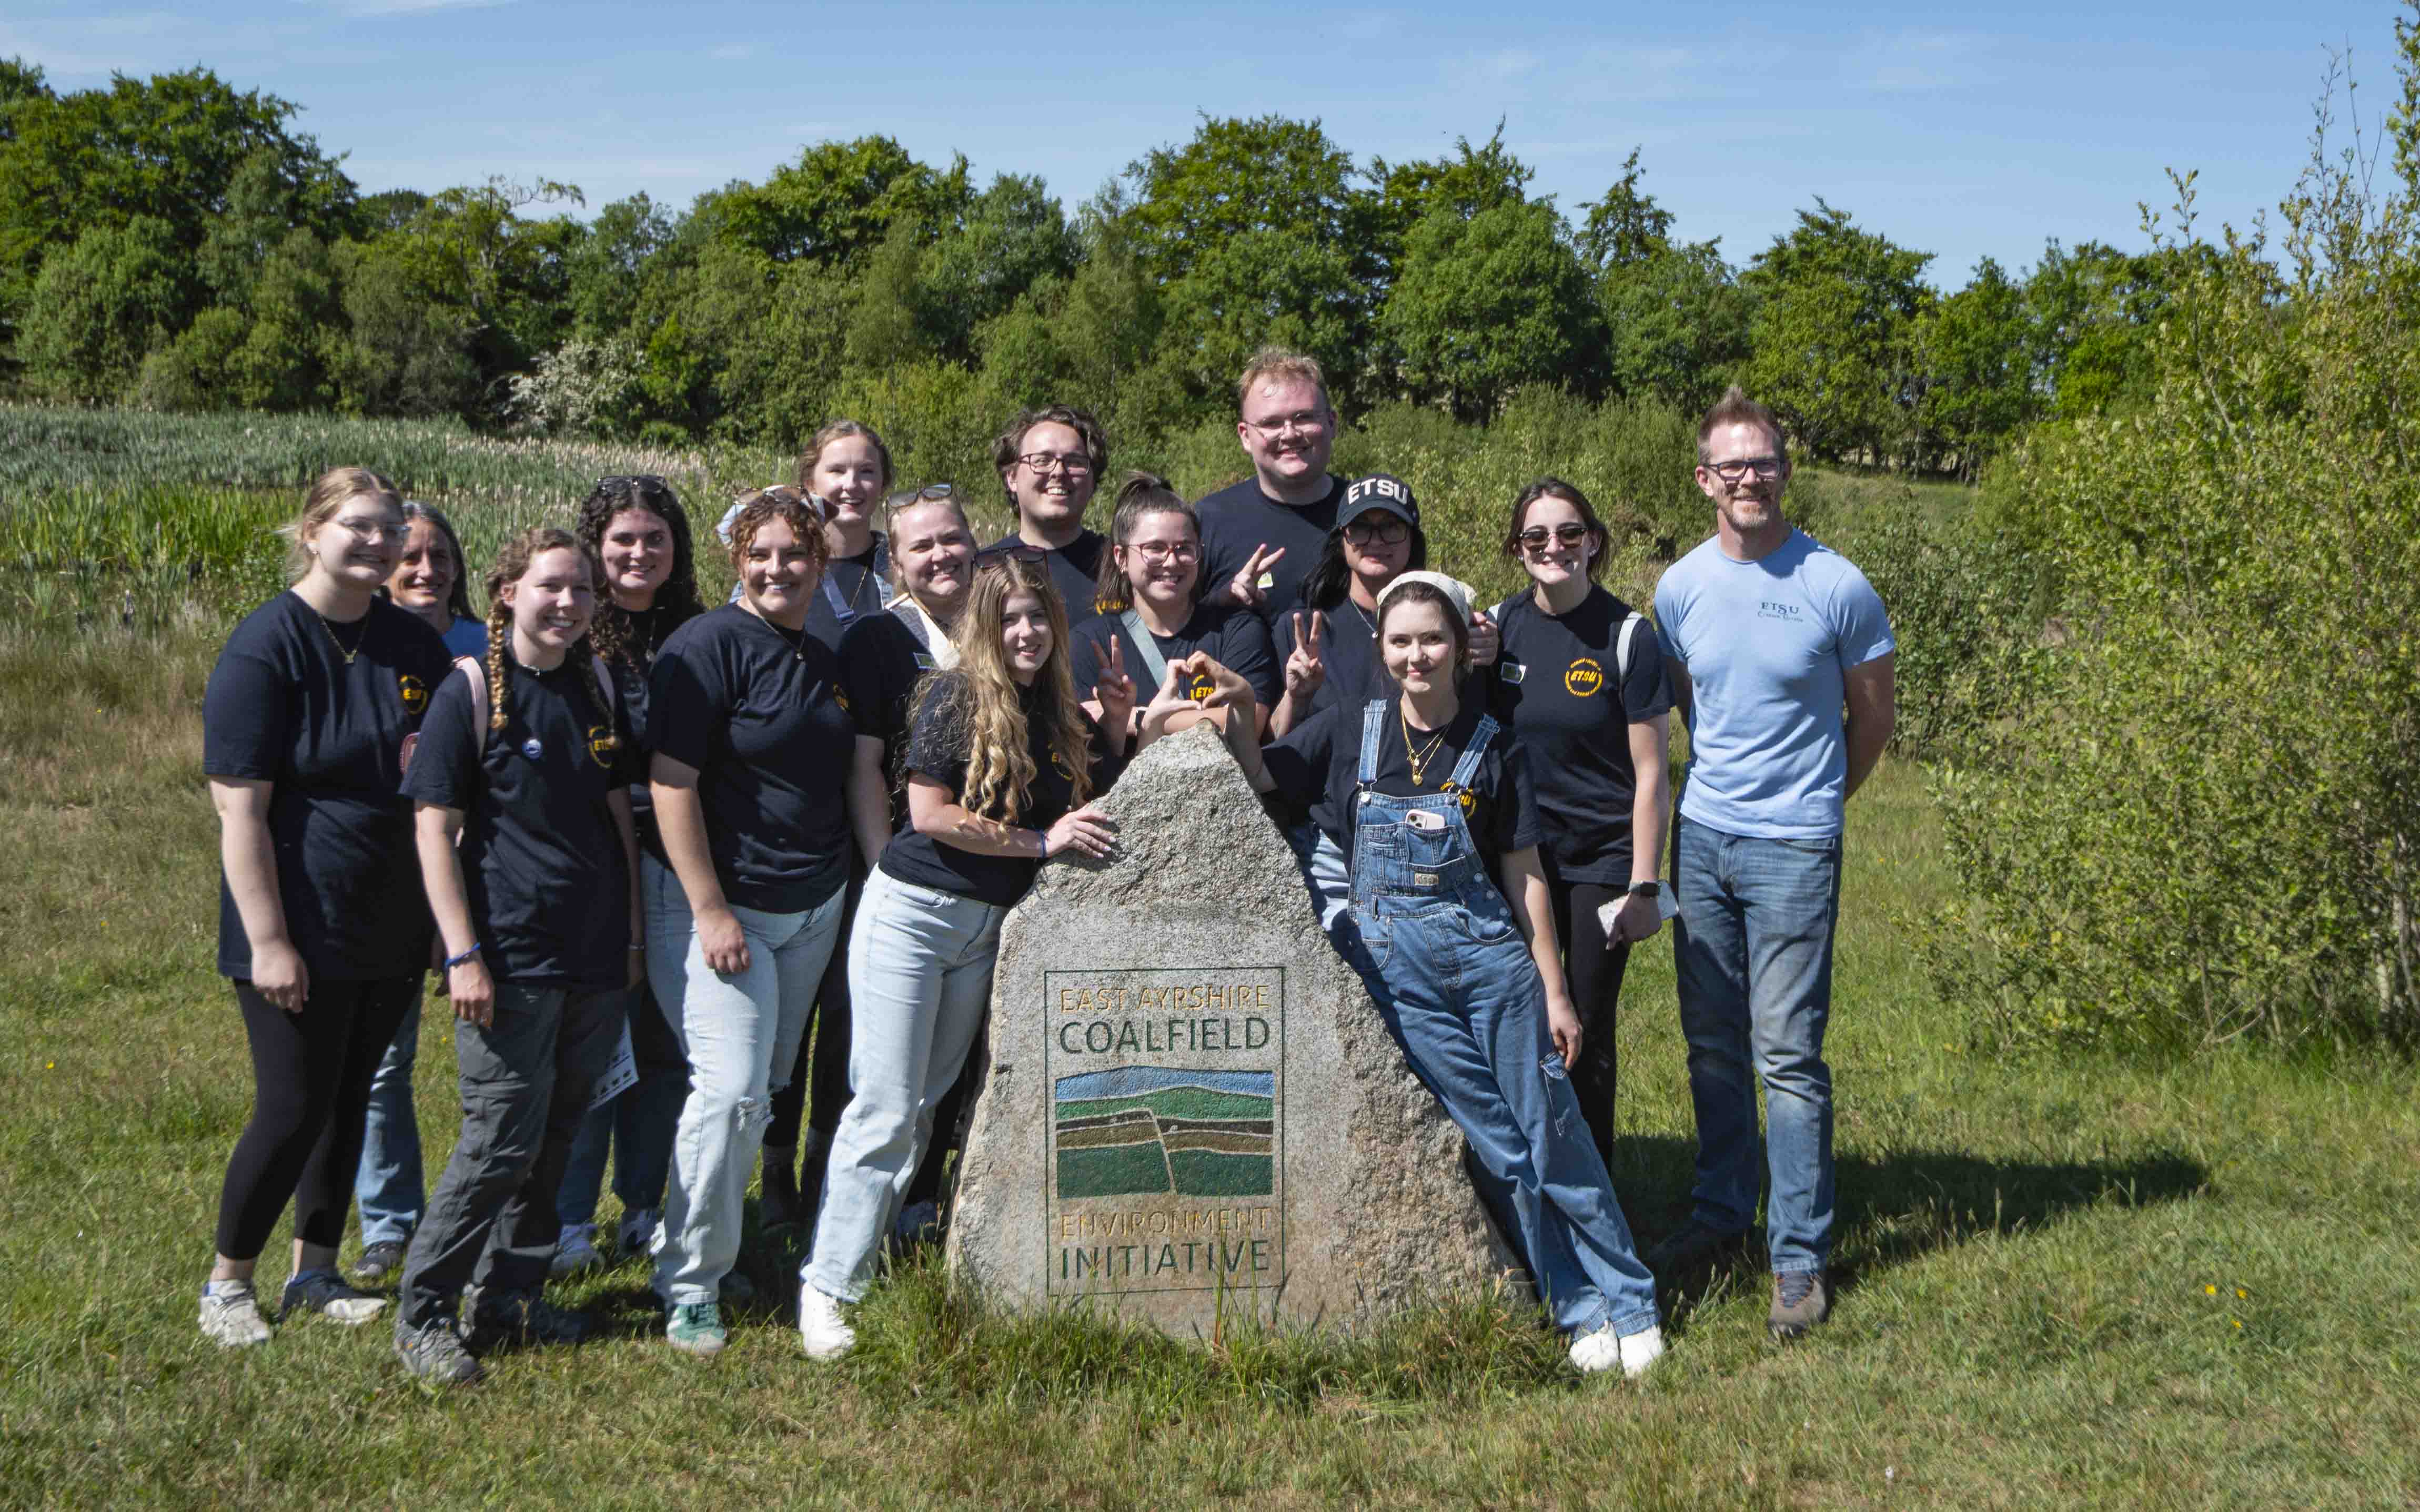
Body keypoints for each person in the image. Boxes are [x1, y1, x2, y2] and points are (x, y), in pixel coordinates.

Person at [1223, 572, 1666, 1378]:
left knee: (1554, 1134)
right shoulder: (1345, 734)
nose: (1415, 655)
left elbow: (1525, 872)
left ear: (1461, 646)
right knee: (1500, 1150)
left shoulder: (1498, 745)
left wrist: (1556, 990)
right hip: (1403, 982)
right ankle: (1575, 1306)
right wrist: (1237, 706)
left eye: (1432, 638)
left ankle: (1631, 1298)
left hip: (1493, 966)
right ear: (1382, 648)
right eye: (1400, 641)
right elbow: (1262, 779)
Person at [798, 557, 1134, 1360]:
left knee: (925, 1108)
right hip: (913, 915)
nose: (1026, 633)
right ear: (984, 624)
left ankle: (868, 1256)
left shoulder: (1054, 711)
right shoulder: (952, 696)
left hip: (984, 926)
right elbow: (931, 813)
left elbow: (1091, 807)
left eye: (1039, 618)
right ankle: (827, 1285)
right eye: (1010, 618)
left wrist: (1115, 727)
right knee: (883, 1104)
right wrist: (1037, 842)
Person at [1648, 387, 1896, 1341]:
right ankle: (1721, 1215)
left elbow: (1870, 718)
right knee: (1710, 1044)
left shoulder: (1838, 585)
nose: (1750, 479)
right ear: (1706, 478)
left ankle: (1798, 1257)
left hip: (1796, 843)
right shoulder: (1679, 586)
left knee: (1787, 1056)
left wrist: (1826, 802)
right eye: (1732, 466)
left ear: (1786, 472)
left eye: (1766, 463)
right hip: (1702, 836)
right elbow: (1686, 703)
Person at [198, 468, 453, 1347]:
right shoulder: (266, 646)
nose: (377, 544)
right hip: (295, 917)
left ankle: (315, 1271)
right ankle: (228, 1285)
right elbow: (242, 811)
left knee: (352, 1100)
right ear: (313, 531)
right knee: (293, 1104)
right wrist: (269, 941)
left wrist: (433, 923)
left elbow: (436, 790)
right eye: (358, 527)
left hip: (386, 915)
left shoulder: (411, 646)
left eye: (390, 530)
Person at [391, 527, 641, 1385]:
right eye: (551, 588)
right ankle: (425, 1313)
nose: (568, 603)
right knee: (499, 1141)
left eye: (581, 590)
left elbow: (617, 821)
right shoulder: (467, 693)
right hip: (508, 959)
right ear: (506, 592)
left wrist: (635, 938)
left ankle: (512, 1297)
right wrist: (463, 954)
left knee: (559, 1136)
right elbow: (435, 832)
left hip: (597, 957)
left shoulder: (598, 683)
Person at [646, 487, 857, 1357]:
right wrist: (709, 909)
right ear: (739, 559)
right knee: (731, 1091)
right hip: (725, 910)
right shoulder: (705, 648)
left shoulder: (824, 652)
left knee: (759, 1092)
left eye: (796, 555)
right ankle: (692, 1283)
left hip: (813, 904)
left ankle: (691, 1237)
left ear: (821, 562)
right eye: (762, 554)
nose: (779, 568)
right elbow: (671, 783)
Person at [1488, 479, 1672, 1172]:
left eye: (1569, 533)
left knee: (1585, 1030)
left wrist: (1646, 884)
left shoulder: (1629, 636)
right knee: (1524, 1021)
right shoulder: (1499, 626)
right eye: (1536, 537)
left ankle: (1599, 1199)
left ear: (1594, 540)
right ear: (1517, 548)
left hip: (1601, 863)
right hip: (1518, 858)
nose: (1554, 547)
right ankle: (1530, 1185)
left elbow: (1653, 774)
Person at [551, 475, 705, 1275]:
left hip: (683, 862)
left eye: (654, 538)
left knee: (668, 1047)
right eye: (622, 540)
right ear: (596, 545)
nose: (639, 553)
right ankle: (570, 1215)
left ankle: (641, 1205)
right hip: (600, 866)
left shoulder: (700, 631)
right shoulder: (575, 637)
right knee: (597, 1046)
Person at [826, 484, 982, 1243]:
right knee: (884, 1061)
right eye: (922, 545)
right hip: (903, 874)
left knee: (952, 1054)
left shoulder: (1001, 629)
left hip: (985, 871)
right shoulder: (875, 641)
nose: (940, 555)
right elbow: (862, 763)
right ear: (897, 560)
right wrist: (881, 862)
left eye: (951, 539)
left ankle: (922, 1197)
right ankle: (848, 1214)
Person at [760, 422, 896, 1234]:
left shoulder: (901, 561)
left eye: (867, 470)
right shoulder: (784, 559)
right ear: (809, 475)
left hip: (883, 812)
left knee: (854, 1008)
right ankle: (773, 1170)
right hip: (801, 810)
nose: (852, 483)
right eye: (837, 469)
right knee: (793, 1013)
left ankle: (825, 1157)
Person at [349, 499, 486, 1288]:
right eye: (412, 557)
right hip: (387, 883)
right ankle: (390, 1220)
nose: (427, 570)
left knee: (495, 1066)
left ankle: (485, 1213)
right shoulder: (362, 652)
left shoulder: (483, 649)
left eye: (440, 556)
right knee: (383, 1061)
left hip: (484, 883)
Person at [1271, 475, 1495, 927]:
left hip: (1437, 847)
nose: (1377, 540)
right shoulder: (1304, 629)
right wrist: (1296, 696)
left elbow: (1481, 732)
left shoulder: (1461, 628)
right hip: (1331, 848)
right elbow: (1275, 750)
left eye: (1392, 527)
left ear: (1413, 538)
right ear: (1342, 541)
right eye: (1362, 528)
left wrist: (1484, 655)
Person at [1070, 472, 1280, 742]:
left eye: (1183, 548)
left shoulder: (1238, 630)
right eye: (1155, 548)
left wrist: (1134, 717)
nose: (1171, 562)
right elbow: (1078, 727)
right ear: (1121, 558)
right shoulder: (1091, 643)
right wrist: (1204, 719)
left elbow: (1247, 722)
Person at [1195, 348, 1349, 626]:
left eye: (1304, 418)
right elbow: (1171, 627)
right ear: (1245, 436)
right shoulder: (1208, 521)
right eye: (1272, 423)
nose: (1289, 434)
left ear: (1331, 423)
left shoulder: (1366, 513)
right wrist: (1220, 601)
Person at [982, 404, 1110, 627]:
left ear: (1092, 481)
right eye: (1042, 460)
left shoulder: (1123, 565)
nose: (1059, 472)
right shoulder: (983, 569)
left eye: (1075, 462)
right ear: (1012, 477)